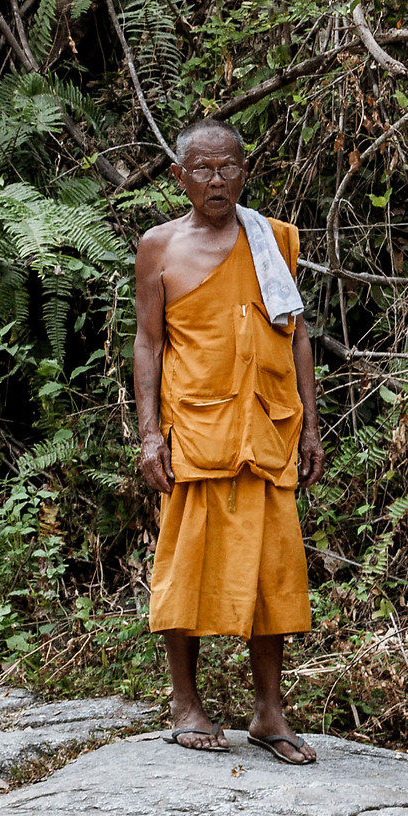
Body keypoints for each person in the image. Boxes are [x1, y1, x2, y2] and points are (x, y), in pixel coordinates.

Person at [132, 117, 326, 762]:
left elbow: (295, 333)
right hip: (197, 429)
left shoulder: (272, 239)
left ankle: (269, 711)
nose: (217, 181)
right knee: (187, 567)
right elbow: (149, 343)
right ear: (180, 176)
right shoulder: (159, 247)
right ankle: (186, 703)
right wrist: (150, 436)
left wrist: (311, 424)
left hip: (268, 429)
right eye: (204, 169)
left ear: (245, 171)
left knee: (273, 572)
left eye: (229, 168)